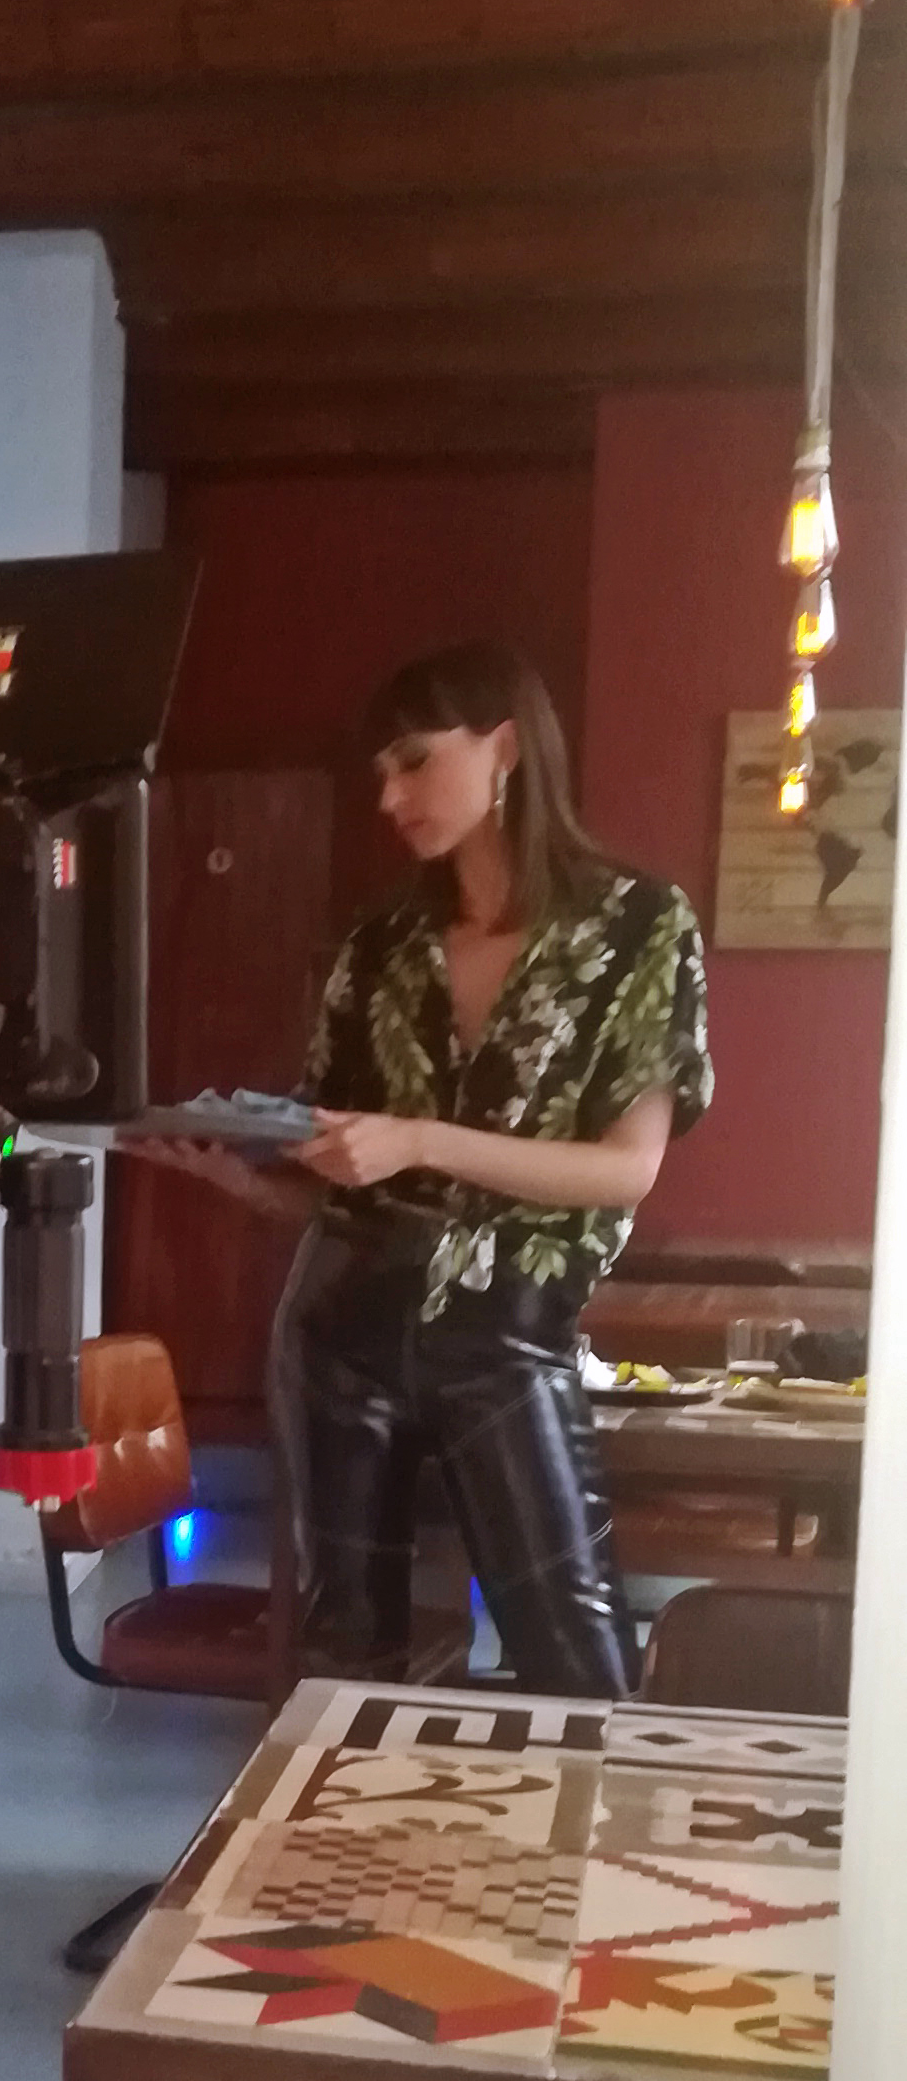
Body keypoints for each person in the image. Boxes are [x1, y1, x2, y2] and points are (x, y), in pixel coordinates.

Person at [146, 640, 711, 1694]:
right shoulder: (379, 943)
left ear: (504, 750)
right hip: (339, 1325)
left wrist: (415, 1139)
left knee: (577, 1665)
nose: (389, 798)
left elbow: (623, 1171)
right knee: (339, 1667)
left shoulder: (640, 925)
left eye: (413, 761)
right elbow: (345, 1184)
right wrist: (244, 1178)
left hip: (507, 1335)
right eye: (380, 773)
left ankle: (558, 1820)